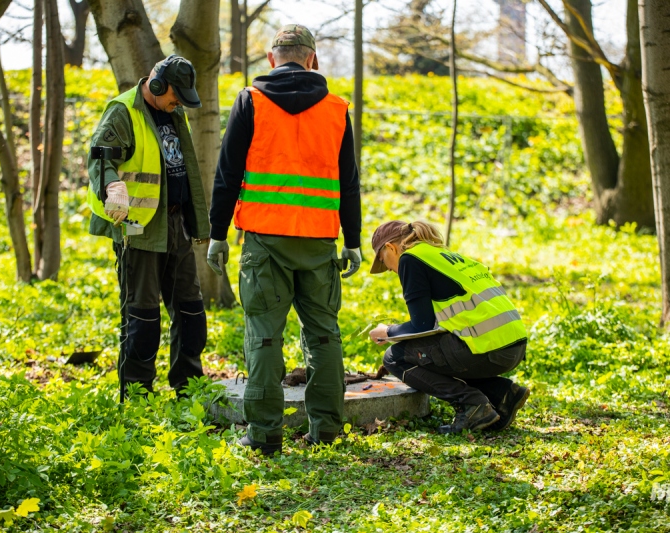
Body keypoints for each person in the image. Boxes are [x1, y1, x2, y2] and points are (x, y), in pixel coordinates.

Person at [207, 24, 362, 455]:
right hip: (318, 242)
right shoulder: (335, 109)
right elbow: (349, 183)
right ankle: (328, 432)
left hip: (263, 239)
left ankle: (263, 437)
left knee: (264, 336)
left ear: (272, 60)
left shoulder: (251, 101)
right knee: (324, 335)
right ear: (312, 59)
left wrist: (217, 234)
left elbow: (227, 175)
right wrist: (353, 240)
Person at [87, 55, 211, 401]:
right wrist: (113, 186)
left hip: (178, 225)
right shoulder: (123, 112)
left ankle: (189, 390)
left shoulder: (173, 111)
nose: (178, 103)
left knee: (191, 313)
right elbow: (100, 159)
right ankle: (138, 396)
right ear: (156, 84)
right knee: (141, 319)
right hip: (139, 229)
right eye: (175, 95)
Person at [368, 220, 530, 433]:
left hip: (487, 348)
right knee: (432, 353)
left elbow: (421, 325)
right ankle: (502, 393)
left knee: (394, 357)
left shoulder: (410, 259)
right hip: (513, 346)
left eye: (383, 260)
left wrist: (388, 332)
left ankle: (471, 404)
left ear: (391, 247)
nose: (389, 269)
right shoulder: (443, 255)